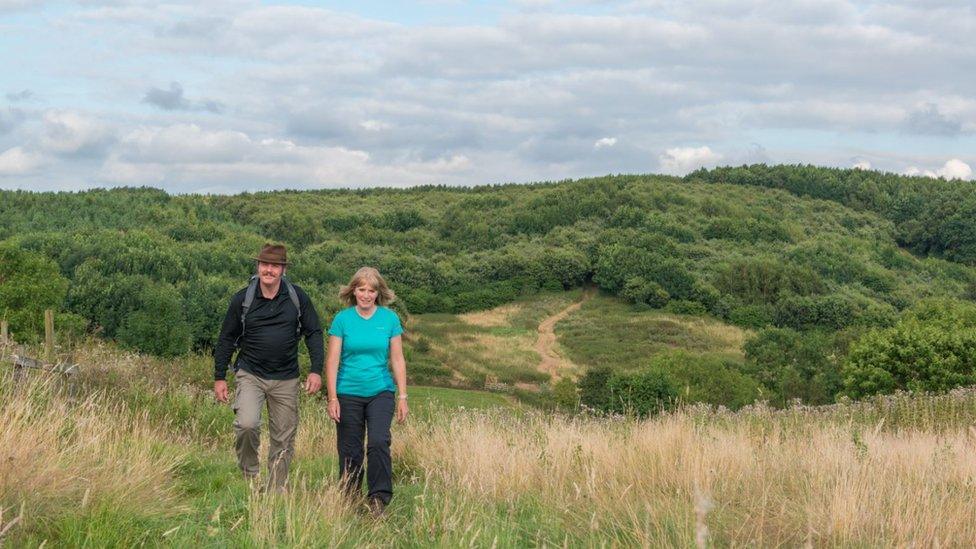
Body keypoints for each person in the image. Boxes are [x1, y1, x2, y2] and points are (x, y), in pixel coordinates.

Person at [213, 243, 325, 491]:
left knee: (283, 437)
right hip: (250, 373)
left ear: (283, 269)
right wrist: (219, 377)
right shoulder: (243, 299)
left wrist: (316, 370)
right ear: (258, 266)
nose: (269, 270)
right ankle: (249, 476)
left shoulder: (297, 298)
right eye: (265, 265)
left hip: (286, 377)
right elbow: (226, 338)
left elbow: (314, 332)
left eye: (275, 266)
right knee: (247, 425)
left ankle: (275, 490)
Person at [326, 266, 408, 517]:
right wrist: (332, 397)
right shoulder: (342, 319)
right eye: (361, 289)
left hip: (380, 390)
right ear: (353, 291)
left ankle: (378, 499)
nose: (366, 295)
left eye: (371, 290)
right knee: (350, 448)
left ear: (378, 293)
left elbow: (397, 359)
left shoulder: (389, 319)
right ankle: (349, 497)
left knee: (378, 442)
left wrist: (402, 396)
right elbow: (332, 361)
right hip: (348, 391)